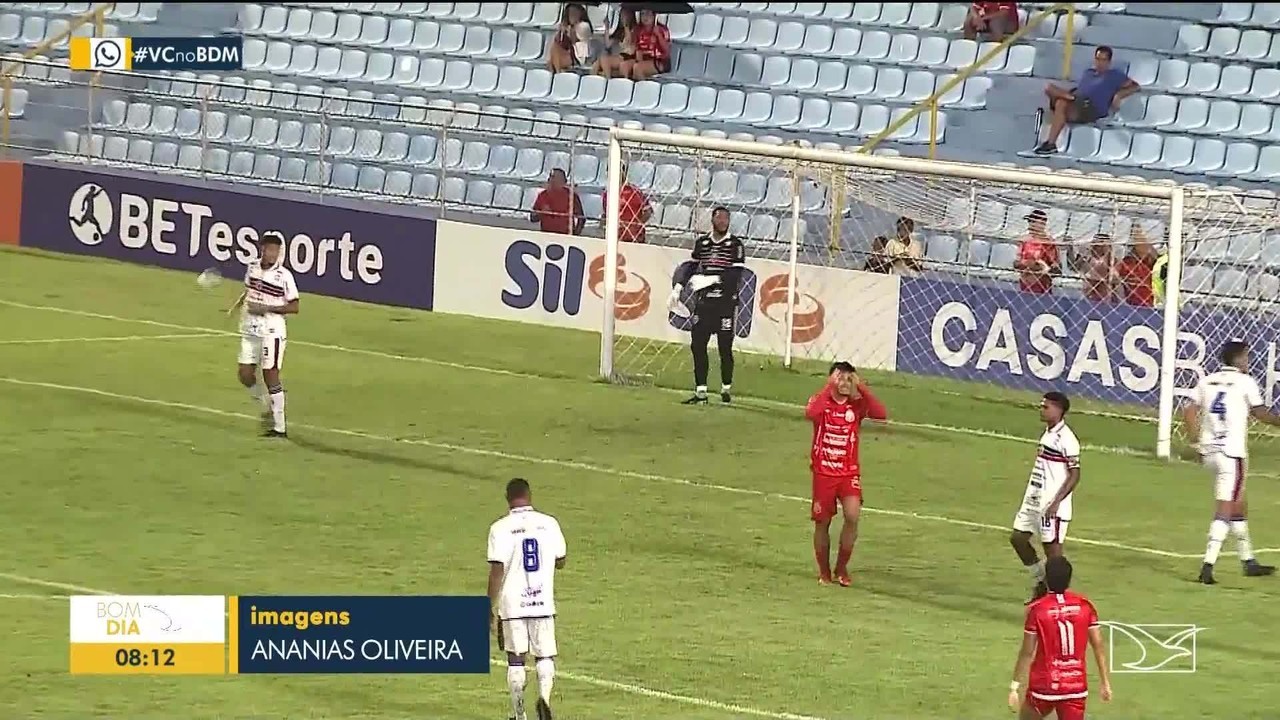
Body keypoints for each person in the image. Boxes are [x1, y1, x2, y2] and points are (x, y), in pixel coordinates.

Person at [1184, 340, 1279, 585]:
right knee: (1225, 507)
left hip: (1210, 451)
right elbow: (1260, 413)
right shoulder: (1246, 382)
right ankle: (1208, 566)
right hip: (1231, 454)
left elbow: (1189, 411)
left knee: (1238, 502)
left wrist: (1195, 443)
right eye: (1247, 356)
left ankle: (1248, 561)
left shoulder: (1207, 381)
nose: (1248, 361)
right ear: (1239, 359)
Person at [487, 478, 567, 720]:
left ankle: (519, 714)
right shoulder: (549, 523)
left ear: (507, 498)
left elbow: (497, 570)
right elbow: (561, 561)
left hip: (512, 605)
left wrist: (488, 605)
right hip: (542, 600)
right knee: (544, 655)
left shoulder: (499, 528)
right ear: (529, 495)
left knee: (516, 660)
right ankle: (544, 698)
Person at [805, 361, 888, 587]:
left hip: (848, 473)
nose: (844, 382)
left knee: (852, 515)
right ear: (831, 380)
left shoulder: (856, 406)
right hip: (823, 474)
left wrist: (862, 388)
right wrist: (828, 387)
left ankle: (841, 569)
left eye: (849, 378)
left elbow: (881, 414)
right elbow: (811, 413)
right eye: (840, 377)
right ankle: (824, 572)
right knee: (822, 523)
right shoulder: (820, 401)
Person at [1008, 556, 1113, 720]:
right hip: (1075, 686)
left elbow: (1027, 652)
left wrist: (1014, 686)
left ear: (1047, 579)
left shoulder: (1037, 609)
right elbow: (1098, 644)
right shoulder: (1085, 605)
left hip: (1044, 684)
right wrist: (1105, 682)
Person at [1010, 392, 1080, 603]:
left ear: (1059, 410)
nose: (1041, 410)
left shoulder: (1067, 439)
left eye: (1046, 407)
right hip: (1034, 499)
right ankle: (1041, 580)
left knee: (1054, 555)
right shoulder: (1048, 433)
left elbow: (1075, 474)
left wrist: (1056, 502)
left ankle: (1058, 600)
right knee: (1018, 538)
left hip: (1052, 504)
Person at [671, 207, 746, 405]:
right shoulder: (703, 243)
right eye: (719, 218)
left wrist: (711, 279)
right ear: (712, 220)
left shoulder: (735, 245)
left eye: (726, 219)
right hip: (704, 303)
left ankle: (726, 387)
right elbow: (691, 267)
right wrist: (678, 288)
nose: (722, 221)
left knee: (724, 348)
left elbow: (735, 276)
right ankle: (701, 391)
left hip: (725, 304)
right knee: (697, 345)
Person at [228, 231, 299, 438]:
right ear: (263, 249)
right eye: (270, 250)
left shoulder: (284, 276)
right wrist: (234, 307)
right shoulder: (252, 267)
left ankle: (280, 427)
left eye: (276, 251)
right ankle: (265, 401)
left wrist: (266, 308)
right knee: (244, 374)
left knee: (270, 373)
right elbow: (248, 290)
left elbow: (294, 306)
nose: (273, 254)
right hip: (250, 329)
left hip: (272, 331)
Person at [1034, 46, 1139, 155]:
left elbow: (1135, 86)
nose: (1100, 63)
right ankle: (1068, 98)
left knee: (1061, 103)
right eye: (1098, 59)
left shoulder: (1114, 75)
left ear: (1109, 62)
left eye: (1103, 60)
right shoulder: (1088, 73)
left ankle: (1051, 143)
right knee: (1049, 88)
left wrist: (1118, 95)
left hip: (1091, 108)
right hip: (1078, 101)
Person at [1014, 209, 1060, 294]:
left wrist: (1040, 266)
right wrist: (1027, 264)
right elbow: (1017, 263)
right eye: (1030, 222)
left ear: (1043, 224)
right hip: (1025, 281)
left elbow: (1055, 267)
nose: (1030, 225)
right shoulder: (1025, 240)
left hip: (1042, 283)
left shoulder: (1049, 243)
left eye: (1033, 222)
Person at [602, 165, 651, 243]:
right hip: (616, 237)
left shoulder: (635, 191)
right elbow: (606, 213)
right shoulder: (607, 193)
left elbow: (648, 211)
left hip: (635, 236)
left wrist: (636, 224)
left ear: (623, 173)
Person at [530, 169, 585, 235]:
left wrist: (575, 235)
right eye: (550, 176)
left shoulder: (571, 196)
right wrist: (541, 213)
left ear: (562, 180)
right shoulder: (542, 195)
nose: (550, 179)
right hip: (546, 234)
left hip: (565, 235)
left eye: (553, 177)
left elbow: (581, 218)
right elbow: (532, 218)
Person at [547, 3, 593, 74]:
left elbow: (576, 41)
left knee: (555, 49)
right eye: (571, 13)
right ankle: (555, 73)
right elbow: (559, 42)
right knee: (554, 49)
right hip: (569, 54)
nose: (573, 15)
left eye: (575, 13)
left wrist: (568, 31)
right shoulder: (568, 27)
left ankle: (557, 73)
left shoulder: (584, 26)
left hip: (580, 55)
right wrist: (560, 32)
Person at [592, 7, 637, 78]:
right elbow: (608, 44)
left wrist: (626, 26)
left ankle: (608, 80)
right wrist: (607, 28)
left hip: (627, 57)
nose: (623, 17)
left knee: (604, 60)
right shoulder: (619, 31)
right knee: (597, 63)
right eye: (621, 15)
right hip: (618, 56)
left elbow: (628, 42)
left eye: (625, 15)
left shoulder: (634, 29)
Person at [1069, 234, 1115, 303]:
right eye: (1097, 245)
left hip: (1103, 284)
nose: (1099, 247)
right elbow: (1074, 268)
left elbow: (1112, 273)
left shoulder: (1110, 258)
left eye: (1102, 245)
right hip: (1089, 283)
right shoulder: (1087, 256)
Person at [1115, 232, 1156, 307]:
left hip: (1149, 303)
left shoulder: (1149, 261)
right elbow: (1116, 278)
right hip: (1131, 303)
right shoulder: (1126, 263)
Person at [629, 9, 671, 80]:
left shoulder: (662, 29)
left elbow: (667, 51)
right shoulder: (638, 30)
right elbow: (638, 49)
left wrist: (658, 35)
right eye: (642, 14)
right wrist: (639, 61)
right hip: (644, 59)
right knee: (625, 66)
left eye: (648, 14)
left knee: (638, 68)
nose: (645, 17)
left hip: (660, 61)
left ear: (654, 15)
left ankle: (643, 86)